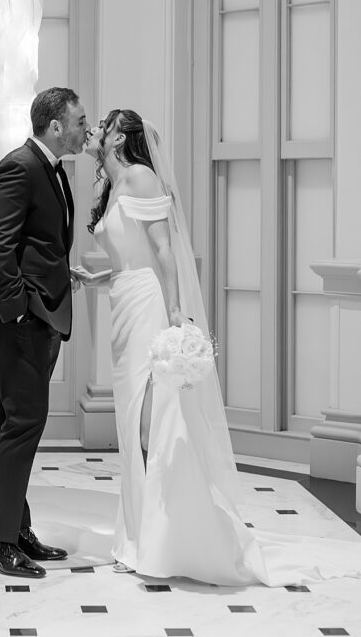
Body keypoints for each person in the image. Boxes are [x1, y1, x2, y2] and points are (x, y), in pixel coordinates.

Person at [72, 108, 361, 586]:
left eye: (101, 125)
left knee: (154, 423)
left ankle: (167, 538)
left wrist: (174, 315)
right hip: (122, 306)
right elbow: (130, 258)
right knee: (130, 423)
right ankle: (137, 537)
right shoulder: (111, 186)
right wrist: (97, 276)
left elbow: (163, 253)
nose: (94, 131)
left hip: (147, 308)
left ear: (119, 137)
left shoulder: (142, 178)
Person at [0, 86, 90, 578]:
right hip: (20, 322)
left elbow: (42, 245)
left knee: (11, 424)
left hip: (42, 315)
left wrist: (61, 280)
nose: (87, 128)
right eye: (81, 121)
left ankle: (12, 529)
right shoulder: (17, 167)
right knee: (24, 424)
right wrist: (20, 310)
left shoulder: (53, 170)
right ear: (56, 126)